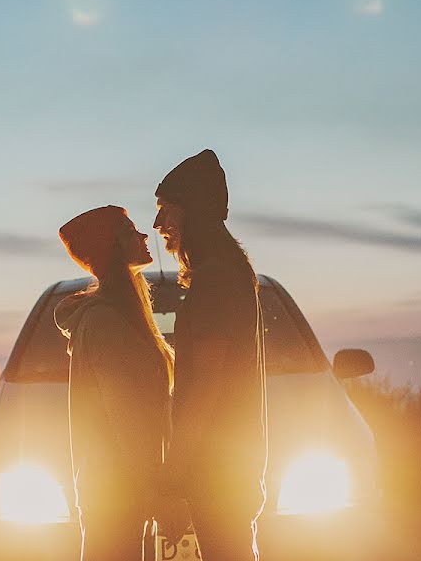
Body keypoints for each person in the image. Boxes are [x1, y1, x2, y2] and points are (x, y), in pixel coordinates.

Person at [153, 149, 268, 560]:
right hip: (230, 474)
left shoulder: (215, 283)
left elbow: (201, 391)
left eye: (166, 210)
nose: (157, 225)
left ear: (194, 212)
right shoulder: (228, 275)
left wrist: (173, 481)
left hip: (215, 478)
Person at [55, 205, 175, 561]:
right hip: (116, 491)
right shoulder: (104, 321)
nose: (142, 235)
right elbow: (124, 415)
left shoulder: (121, 311)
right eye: (130, 230)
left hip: (122, 488)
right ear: (113, 246)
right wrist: (154, 489)